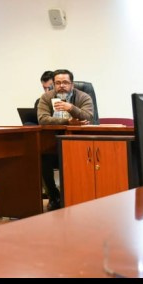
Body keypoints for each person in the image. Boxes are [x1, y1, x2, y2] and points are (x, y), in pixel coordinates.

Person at [36, 68, 94, 210]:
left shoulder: (84, 97)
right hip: (53, 144)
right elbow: (43, 119)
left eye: (65, 82)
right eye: (58, 83)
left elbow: (88, 116)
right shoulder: (46, 98)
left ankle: (74, 195)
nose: (61, 86)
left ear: (72, 84)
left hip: (78, 144)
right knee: (42, 158)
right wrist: (67, 122)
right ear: (54, 84)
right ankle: (54, 196)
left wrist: (71, 108)